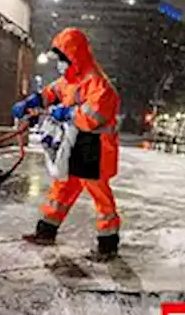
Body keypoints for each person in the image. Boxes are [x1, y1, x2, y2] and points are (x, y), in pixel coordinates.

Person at [11, 26, 121, 261]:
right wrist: (32, 100)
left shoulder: (97, 84)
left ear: (74, 56)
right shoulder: (70, 79)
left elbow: (92, 118)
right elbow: (52, 92)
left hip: (95, 147)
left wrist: (68, 113)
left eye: (62, 59)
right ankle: (46, 231)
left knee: (100, 196)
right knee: (63, 186)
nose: (59, 64)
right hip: (75, 143)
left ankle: (108, 243)